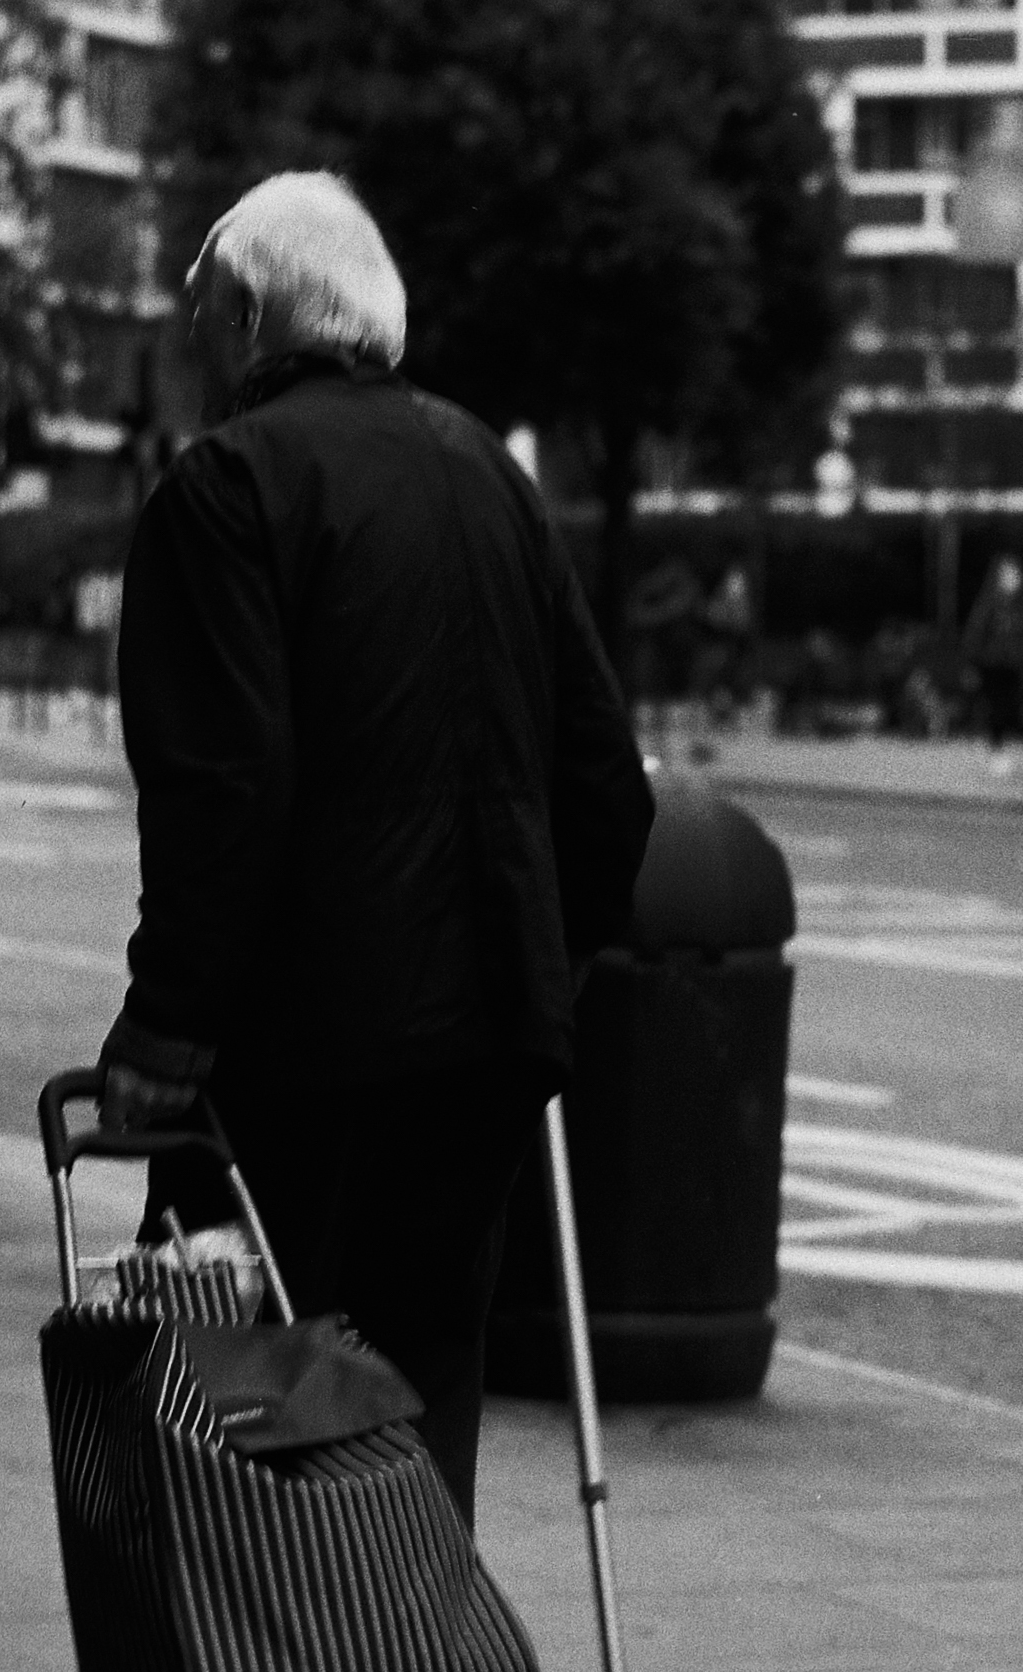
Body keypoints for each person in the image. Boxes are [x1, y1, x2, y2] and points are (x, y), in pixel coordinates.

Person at [95, 172, 653, 1533]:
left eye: (194, 309)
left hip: (298, 1058)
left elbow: (222, 790)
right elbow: (606, 789)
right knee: (421, 1370)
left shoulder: (223, 487)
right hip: (481, 1048)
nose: (188, 341)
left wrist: (163, 1033)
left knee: (236, 1356)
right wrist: (535, 968)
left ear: (242, 311)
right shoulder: (488, 471)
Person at [963, 553, 1023, 771]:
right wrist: (972, 664)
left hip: (1012, 665)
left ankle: (999, 748)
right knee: (997, 708)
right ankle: (996, 751)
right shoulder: (989, 603)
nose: (1014, 578)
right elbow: (975, 634)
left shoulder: (1022, 604)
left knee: (1010, 707)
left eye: (1016, 573)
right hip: (992, 664)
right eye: (1009, 574)